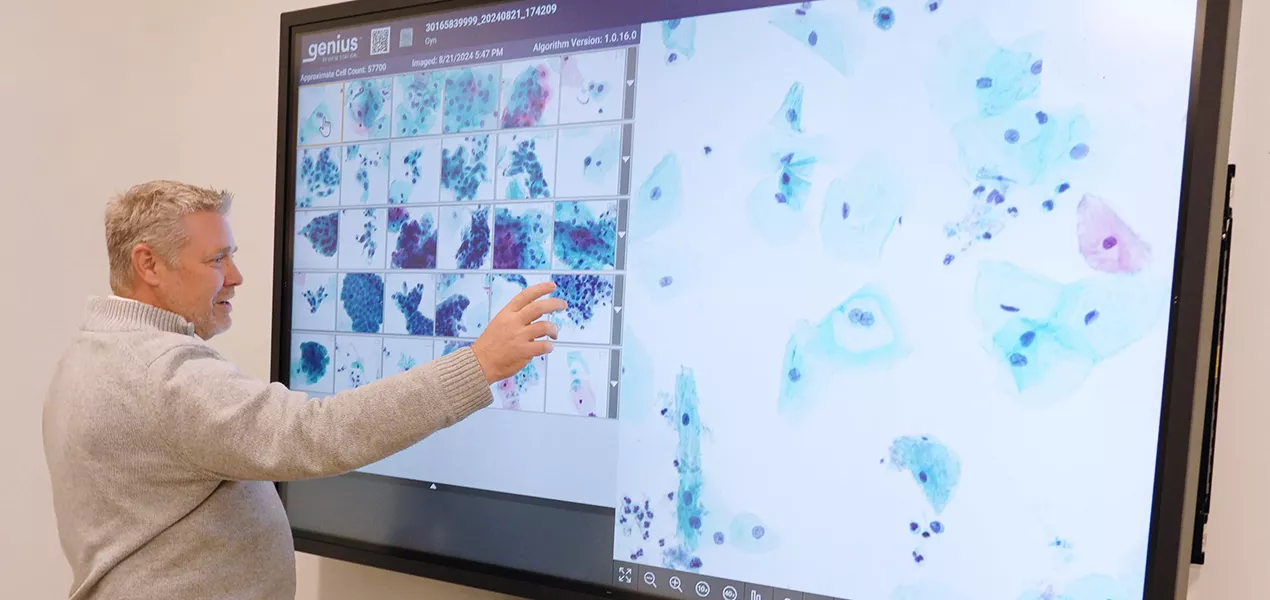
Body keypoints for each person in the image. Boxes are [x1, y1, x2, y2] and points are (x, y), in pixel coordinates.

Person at [41, 180, 565, 600]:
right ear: (148, 264)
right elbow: (314, 433)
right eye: (216, 259)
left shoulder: (90, 353)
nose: (237, 275)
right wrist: (477, 365)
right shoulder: (160, 372)